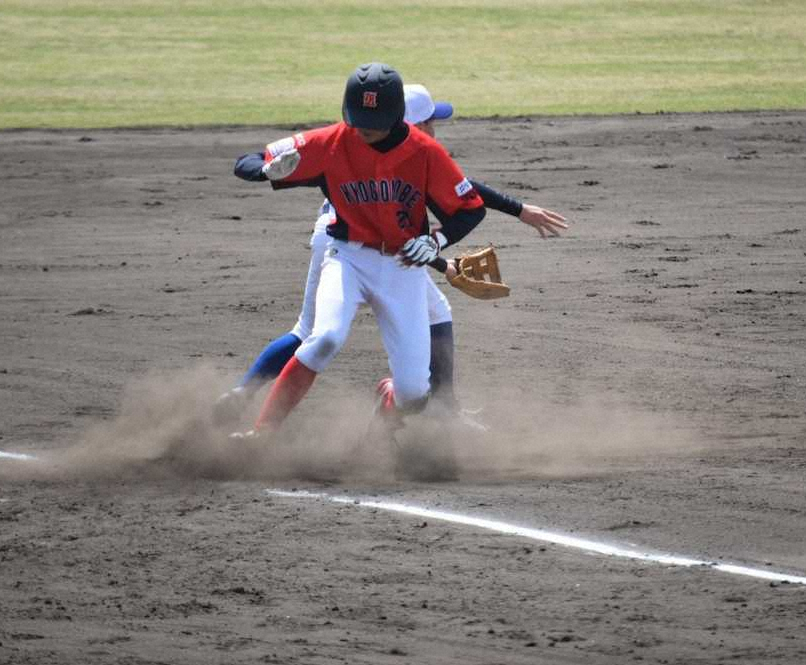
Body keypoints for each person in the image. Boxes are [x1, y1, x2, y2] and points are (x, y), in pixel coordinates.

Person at [221, 82, 568, 431]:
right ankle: (255, 409)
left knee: (416, 340)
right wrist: (442, 260)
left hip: (386, 251)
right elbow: (393, 229)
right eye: (428, 121)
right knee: (318, 334)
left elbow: (458, 194)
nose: (433, 127)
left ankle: (427, 401)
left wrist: (507, 215)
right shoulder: (348, 146)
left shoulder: (418, 153)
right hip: (341, 242)